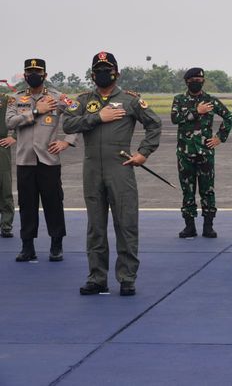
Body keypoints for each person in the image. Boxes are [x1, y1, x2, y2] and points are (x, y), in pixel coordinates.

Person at [63, 52, 162, 296]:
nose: (103, 73)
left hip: (121, 168)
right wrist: (98, 117)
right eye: (98, 69)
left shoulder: (130, 100)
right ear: (92, 74)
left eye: (107, 69)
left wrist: (143, 153)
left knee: (126, 223)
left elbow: (154, 123)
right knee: (95, 227)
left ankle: (127, 277)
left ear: (116, 72)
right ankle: (97, 277)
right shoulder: (84, 100)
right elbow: (67, 125)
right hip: (92, 170)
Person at [6, 58, 78, 262]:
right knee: (27, 205)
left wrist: (68, 141)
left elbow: (77, 116)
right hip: (25, 160)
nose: (33, 75)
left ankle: (56, 245)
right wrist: (37, 111)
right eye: (29, 72)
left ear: (45, 75)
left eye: (37, 72)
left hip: (49, 160)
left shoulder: (57, 97)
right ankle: (27, 246)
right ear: (25, 75)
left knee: (53, 203)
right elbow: (10, 122)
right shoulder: (16, 99)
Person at [171, 67, 232, 239]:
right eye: (194, 80)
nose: (197, 82)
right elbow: (175, 118)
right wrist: (196, 112)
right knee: (188, 191)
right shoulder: (179, 99)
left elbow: (229, 118)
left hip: (205, 152)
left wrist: (220, 137)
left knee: (207, 190)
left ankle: (208, 226)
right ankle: (189, 226)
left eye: (200, 80)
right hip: (185, 153)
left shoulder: (210, 100)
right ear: (187, 81)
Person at [0, 92, 17, 238]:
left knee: (4, 187)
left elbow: (25, 115)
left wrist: (14, 137)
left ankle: (6, 225)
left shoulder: (7, 100)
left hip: (1, 147)